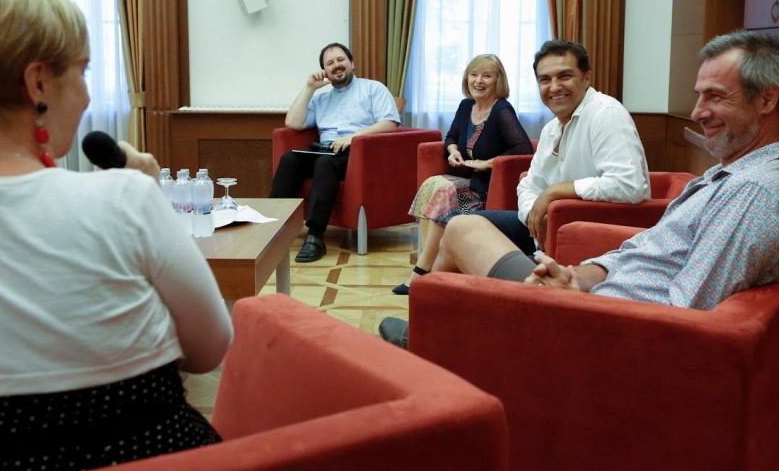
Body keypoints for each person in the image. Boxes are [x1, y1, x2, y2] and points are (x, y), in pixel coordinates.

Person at [379, 29, 779, 348]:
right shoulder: (728, 177)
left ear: (766, 100)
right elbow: (642, 249)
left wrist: (580, 298)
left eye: (715, 96)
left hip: (601, 325)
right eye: (699, 96)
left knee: (462, 228)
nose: (696, 112)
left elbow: (685, 316)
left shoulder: (754, 196)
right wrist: (579, 277)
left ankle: (434, 340)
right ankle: (440, 338)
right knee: (464, 226)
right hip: (591, 294)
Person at [0, 0, 233, 471]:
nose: (88, 95)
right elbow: (209, 349)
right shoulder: (125, 199)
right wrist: (145, 197)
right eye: (83, 70)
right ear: (38, 83)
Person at [474, 39, 650, 256]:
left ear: (586, 78)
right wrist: (536, 218)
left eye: (564, 76)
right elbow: (528, 186)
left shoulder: (606, 114)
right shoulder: (551, 129)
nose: (554, 87)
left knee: (473, 249)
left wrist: (555, 192)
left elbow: (628, 185)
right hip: (553, 232)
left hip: (600, 245)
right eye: (545, 79)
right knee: (465, 225)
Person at [392, 54, 533, 295]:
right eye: (474, 75)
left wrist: (487, 163)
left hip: (486, 187)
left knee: (444, 188)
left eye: (487, 76)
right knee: (433, 184)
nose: (478, 81)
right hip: (466, 179)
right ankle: (431, 266)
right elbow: (451, 136)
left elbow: (524, 149)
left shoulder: (502, 110)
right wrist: (453, 151)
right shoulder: (466, 106)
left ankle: (421, 271)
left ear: (498, 81)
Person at [270, 42, 400, 262]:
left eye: (341, 60)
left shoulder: (373, 89)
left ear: (352, 63)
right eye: (330, 63)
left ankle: (315, 236)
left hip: (358, 153)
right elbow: (293, 122)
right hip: (326, 150)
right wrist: (310, 87)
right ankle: (274, 226)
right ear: (325, 71)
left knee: (325, 163)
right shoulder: (321, 99)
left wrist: (354, 137)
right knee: (290, 159)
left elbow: (389, 123)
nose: (336, 65)